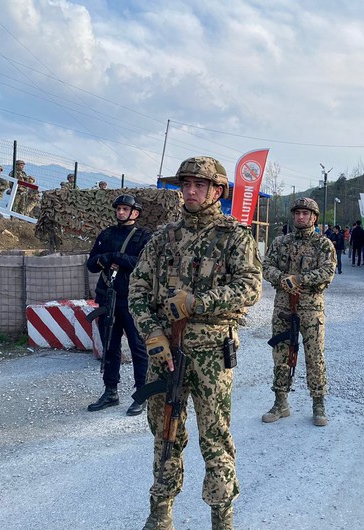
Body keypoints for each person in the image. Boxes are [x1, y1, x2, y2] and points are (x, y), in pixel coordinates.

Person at [129, 156, 262, 529]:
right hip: (165, 351)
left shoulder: (235, 236)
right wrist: (151, 332)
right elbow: (137, 288)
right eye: (185, 184)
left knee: (214, 437)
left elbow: (250, 287)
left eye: (199, 185)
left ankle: (222, 518)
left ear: (217, 191)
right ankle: (160, 514)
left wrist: (199, 302)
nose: (189, 191)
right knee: (165, 434)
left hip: (211, 353)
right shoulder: (163, 237)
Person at [261, 197, 336, 427]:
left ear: (314, 217)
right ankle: (280, 402)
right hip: (283, 307)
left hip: (311, 308)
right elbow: (266, 267)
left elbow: (328, 271)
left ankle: (318, 404)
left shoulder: (323, 244)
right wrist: (283, 279)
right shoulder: (281, 242)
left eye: (306, 213)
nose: (301, 217)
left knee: (314, 357)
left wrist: (300, 279)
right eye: (297, 213)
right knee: (281, 354)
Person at [86, 194, 152, 415]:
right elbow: (91, 264)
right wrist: (104, 259)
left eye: (125, 209)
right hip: (108, 298)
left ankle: (141, 394)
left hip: (133, 300)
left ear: (135, 212)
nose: (121, 213)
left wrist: (116, 257)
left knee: (138, 348)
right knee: (110, 347)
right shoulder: (106, 234)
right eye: (119, 209)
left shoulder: (143, 236)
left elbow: (144, 265)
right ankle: (110, 391)